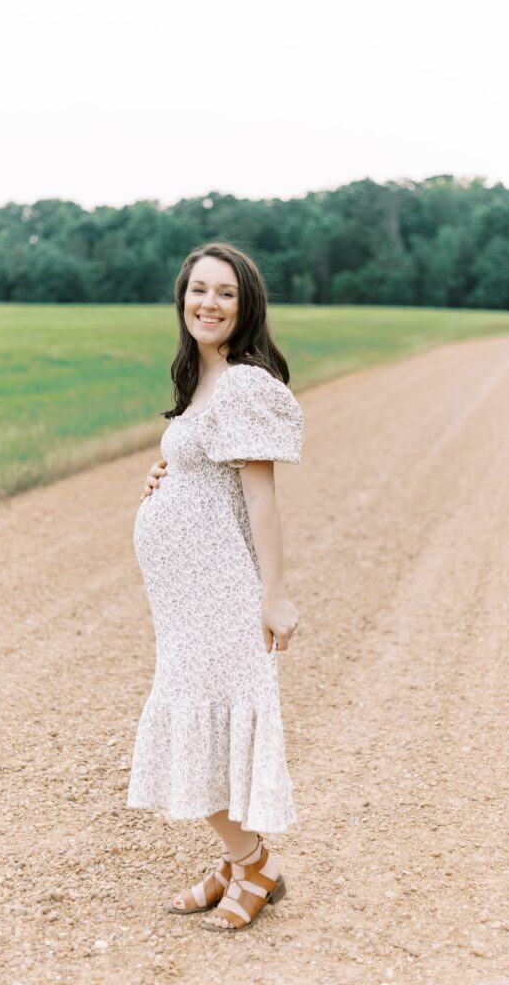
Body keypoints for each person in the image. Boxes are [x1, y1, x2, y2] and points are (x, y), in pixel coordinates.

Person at [127, 241, 304, 932]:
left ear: (245, 305)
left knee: (196, 719)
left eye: (225, 293)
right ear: (181, 299)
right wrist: (158, 482)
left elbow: (261, 500)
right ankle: (234, 866)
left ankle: (253, 862)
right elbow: (204, 469)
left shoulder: (243, 383)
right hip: (179, 599)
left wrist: (274, 593)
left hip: (221, 592)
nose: (208, 303)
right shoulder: (197, 382)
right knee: (197, 719)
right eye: (197, 290)